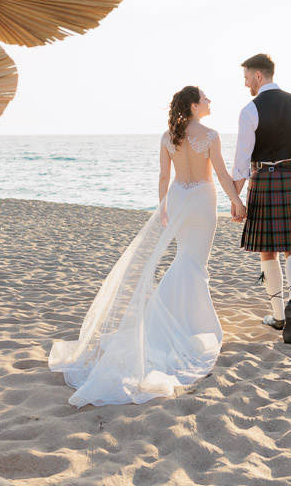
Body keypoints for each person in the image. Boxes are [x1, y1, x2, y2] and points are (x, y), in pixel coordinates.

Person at [49, 86, 246, 406]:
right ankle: (194, 325)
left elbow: (163, 178)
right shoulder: (210, 135)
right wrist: (236, 201)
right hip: (202, 202)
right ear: (195, 106)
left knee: (187, 259)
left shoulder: (168, 136)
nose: (210, 102)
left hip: (180, 199)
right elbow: (222, 174)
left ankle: (178, 319)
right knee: (195, 263)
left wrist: (163, 208)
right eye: (206, 98)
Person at [231, 54, 291, 345]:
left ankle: (278, 315)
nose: (245, 83)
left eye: (247, 77)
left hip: (263, 180)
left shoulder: (250, 110)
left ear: (258, 76)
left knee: (267, 250)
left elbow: (240, 163)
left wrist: (235, 198)